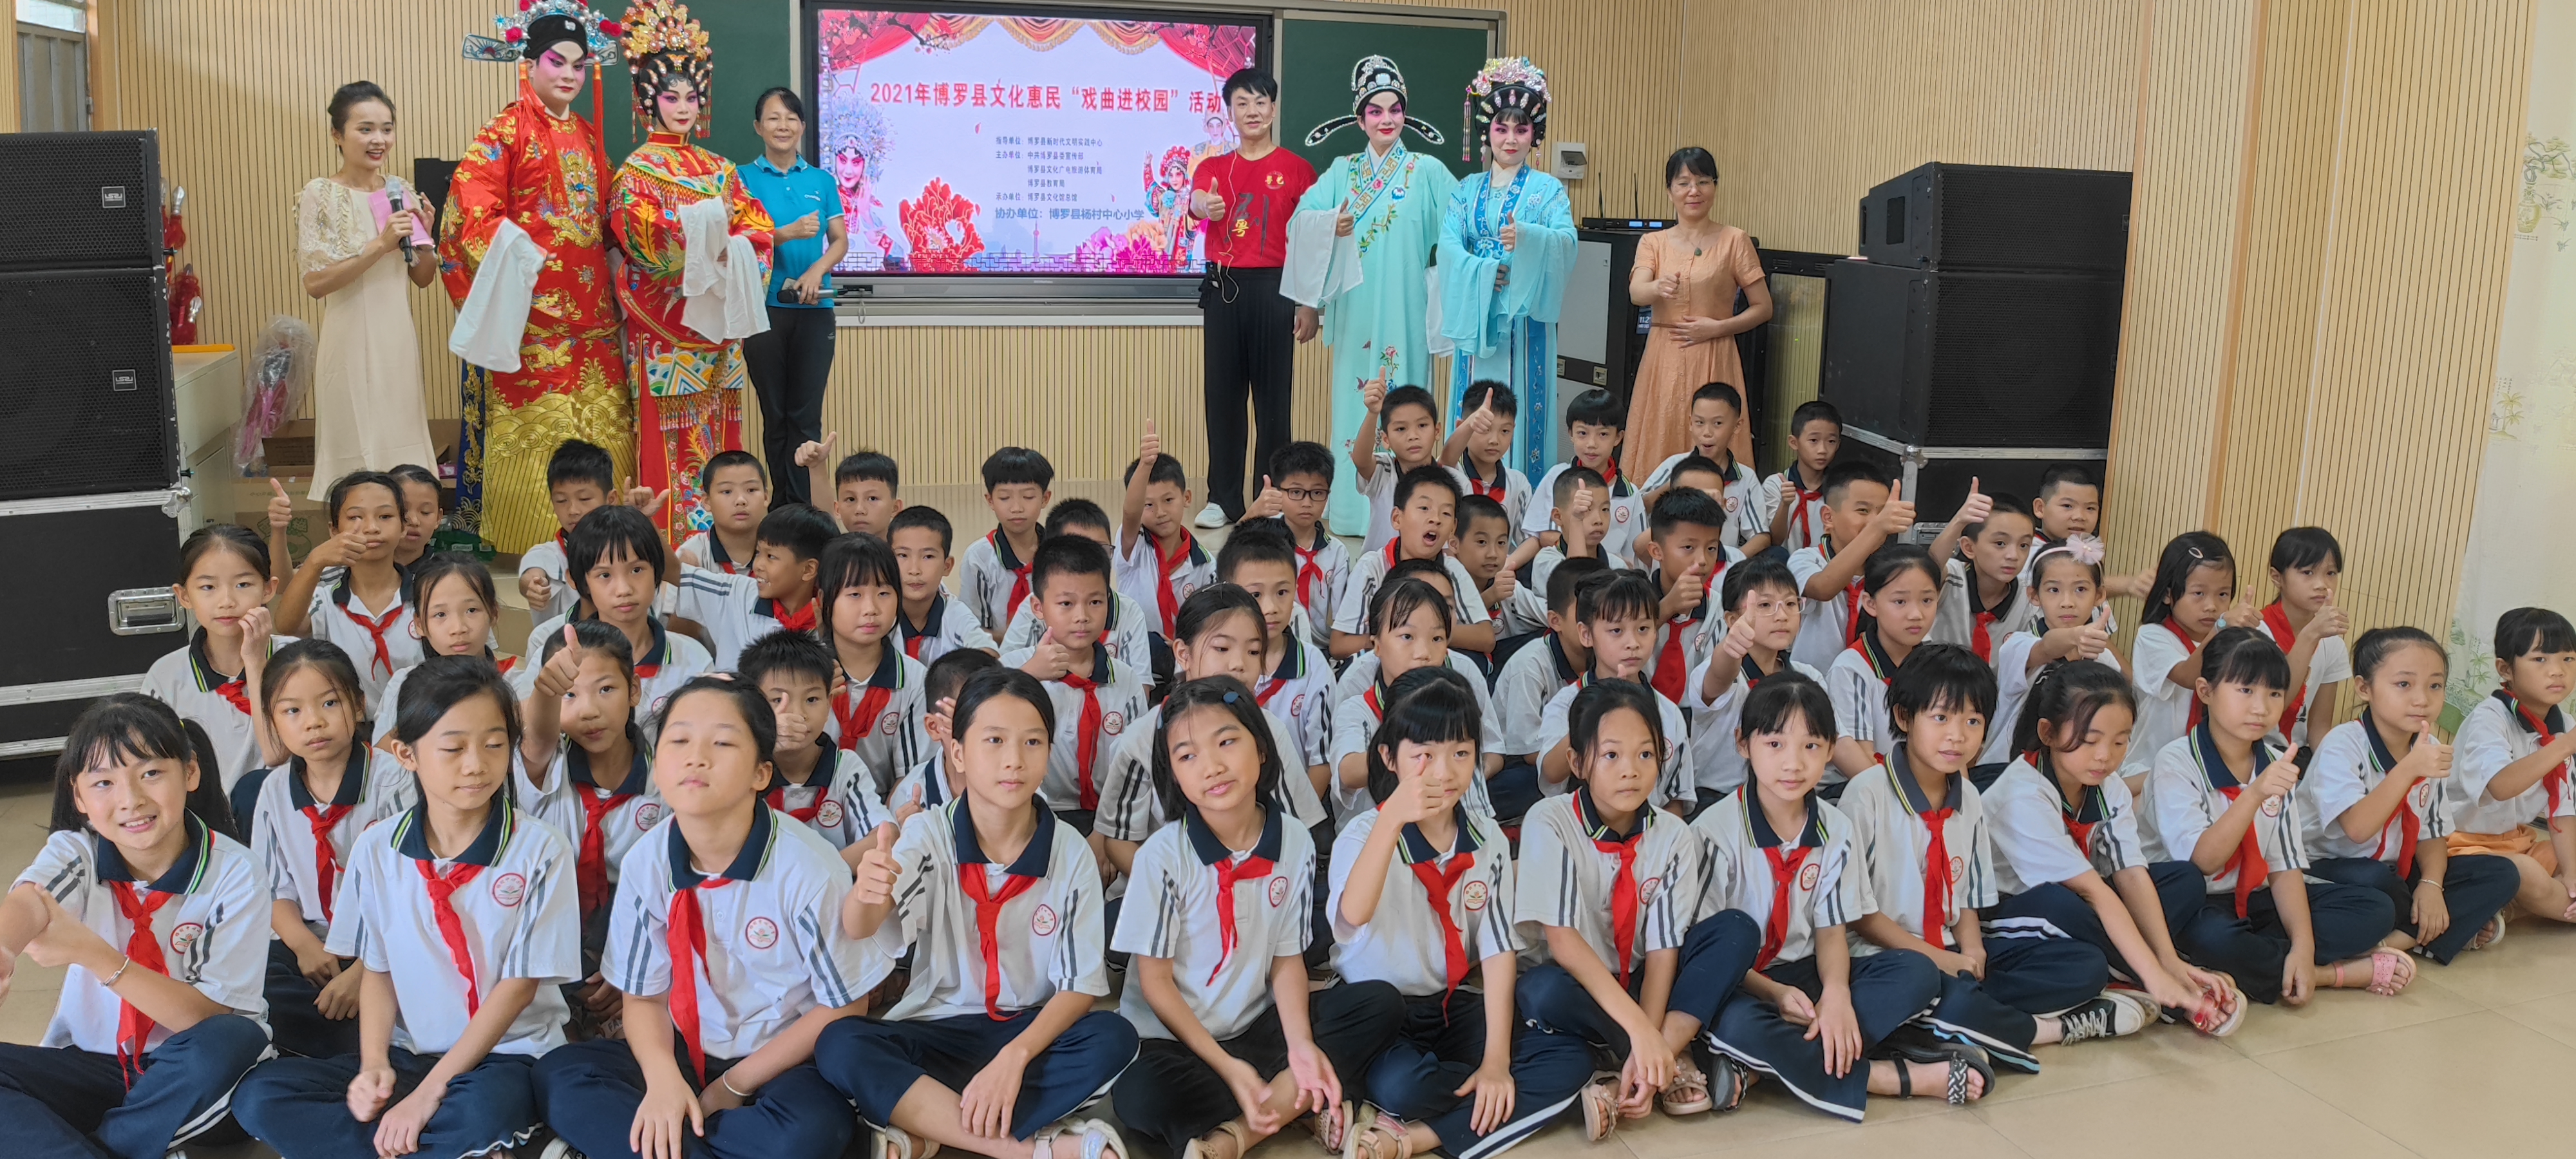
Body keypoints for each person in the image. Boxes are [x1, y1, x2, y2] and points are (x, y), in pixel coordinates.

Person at [231, 657, 578, 1159]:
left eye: (494, 744)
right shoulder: (378, 848)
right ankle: (462, 1149)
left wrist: (427, 1096)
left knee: (481, 1111)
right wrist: (374, 1065)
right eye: (453, 748)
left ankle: (427, 1139)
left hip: (509, 1054)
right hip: (410, 1053)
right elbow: (378, 969)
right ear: (406, 754)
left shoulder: (541, 850)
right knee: (260, 1097)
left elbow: (519, 988)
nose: (476, 764)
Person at [533, 677, 886, 1159]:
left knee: (809, 1131)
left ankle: (662, 1146)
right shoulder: (646, 862)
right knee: (559, 1077)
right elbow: (644, 999)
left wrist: (735, 1085)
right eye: (679, 741)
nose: (696, 758)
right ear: (659, 766)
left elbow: (845, 1004)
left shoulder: (810, 868)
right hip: (683, 1046)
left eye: (722, 743)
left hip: (781, 1060)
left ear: (761, 773)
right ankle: (705, 1143)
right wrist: (663, 1081)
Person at [818, 668, 1139, 1159]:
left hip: (1027, 1029)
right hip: (938, 1026)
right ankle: (1030, 1148)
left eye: (1032, 742)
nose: (1014, 760)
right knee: (840, 1043)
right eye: (994, 741)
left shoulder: (1070, 851)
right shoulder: (929, 834)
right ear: (958, 753)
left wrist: (1014, 1058)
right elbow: (861, 926)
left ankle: (930, 1123)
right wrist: (866, 892)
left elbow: (1079, 988)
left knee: (1115, 1038)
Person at [1107, 677, 1397, 1159]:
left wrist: (1300, 1046)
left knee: (1380, 1005)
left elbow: (1287, 960)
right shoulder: (1161, 855)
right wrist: (1227, 1067)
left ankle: (1235, 1134)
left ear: (1261, 749)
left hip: (1258, 1026)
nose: (1212, 766)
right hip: (1178, 1040)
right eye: (1187, 756)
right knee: (1139, 1097)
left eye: (1226, 742)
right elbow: (1155, 984)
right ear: (1173, 773)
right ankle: (1295, 1098)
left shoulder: (1294, 841)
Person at [1838, 645, 2146, 1081]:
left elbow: (1968, 898)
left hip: (1948, 947)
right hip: (1886, 957)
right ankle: (2046, 1030)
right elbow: (1860, 915)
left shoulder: (1968, 798)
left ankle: (1951, 1022)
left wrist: (1973, 950)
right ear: (1905, 718)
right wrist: (1937, 959)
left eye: (1973, 721)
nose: (1957, 736)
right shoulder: (1866, 795)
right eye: (1941, 718)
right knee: (1919, 980)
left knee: (2086, 965)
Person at [1327, 674, 1596, 1156]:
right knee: (1403, 1086)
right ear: (1389, 758)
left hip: (1449, 1004)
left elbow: (1497, 950)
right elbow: (1352, 916)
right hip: (1381, 1014)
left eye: (1461, 753)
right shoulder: (1363, 834)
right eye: (1424, 755)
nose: (1444, 771)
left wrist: (1496, 1062)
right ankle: (1508, 1104)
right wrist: (1392, 819)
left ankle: (1418, 1134)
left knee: (1570, 1057)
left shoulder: (1486, 837)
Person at [0, 695, 270, 1159]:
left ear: (190, 772)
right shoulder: (77, 851)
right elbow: (31, 900)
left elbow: (204, 1019)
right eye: (104, 782)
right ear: (79, 796)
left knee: (232, 1037)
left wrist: (96, 956)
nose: (131, 800)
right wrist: (5, 949)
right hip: (93, 1063)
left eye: (151, 773)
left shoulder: (236, 872)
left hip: (192, 1079)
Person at [1692, 676, 1958, 1117]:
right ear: (1743, 744)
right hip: (1743, 981)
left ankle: (1769, 1063)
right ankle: (1884, 1077)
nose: (1793, 763)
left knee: (1917, 973)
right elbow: (1705, 954)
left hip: (1808, 970)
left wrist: (1836, 995)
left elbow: (1831, 930)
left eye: (1811, 746)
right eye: (1775, 744)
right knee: (1733, 1020)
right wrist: (1774, 994)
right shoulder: (1712, 832)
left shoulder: (1836, 829)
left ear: (1831, 749)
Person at [1513, 681, 1756, 1124]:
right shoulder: (1549, 821)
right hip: (1581, 983)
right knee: (1541, 990)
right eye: (1611, 755)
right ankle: (1668, 1058)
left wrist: (1648, 1029)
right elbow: (1564, 944)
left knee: (1736, 930)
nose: (1631, 770)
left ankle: (1641, 1064)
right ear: (1577, 762)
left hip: (1643, 979)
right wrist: (1643, 1033)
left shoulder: (1672, 834)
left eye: (1646, 754)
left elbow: (1663, 951)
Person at [441, 2, 630, 554]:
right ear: (529, 63)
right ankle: (532, 546)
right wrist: (531, 259)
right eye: (557, 62)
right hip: (530, 321)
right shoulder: (504, 132)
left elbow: (607, 219)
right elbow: (470, 212)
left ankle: (606, 541)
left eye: (578, 64)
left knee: (601, 430)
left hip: (593, 321)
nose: (569, 74)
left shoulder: (589, 136)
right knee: (537, 432)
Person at [2137, 628, 2401, 1004]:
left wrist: (2303, 947)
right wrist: (2255, 793)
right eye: (2245, 690)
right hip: (2194, 901)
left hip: (2254, 896)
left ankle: (2275, 966)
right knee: (2214, 939)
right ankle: (2329, 974)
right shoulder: (2176, 761)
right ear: (2206, 692)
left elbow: (2284, 865)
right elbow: (2203, 862)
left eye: (2275, 693)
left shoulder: (2277, 761)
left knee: (2375, 909)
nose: (2261, 708)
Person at [1979, 663, 2242, 1035]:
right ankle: (2150, 984)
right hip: (2014, 915)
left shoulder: (2110, 787)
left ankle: (2141, 976)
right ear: (2048, 733)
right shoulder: (2022, 794)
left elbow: (2131, 874)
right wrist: (2156, 973)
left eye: (2120, 742)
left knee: (2184, 879)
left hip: (2084, 907)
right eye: (2090, 740)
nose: (2105, 756)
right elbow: (2092, 892)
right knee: (2065, 911)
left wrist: (2168, 960)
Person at [608, 0, 777, 547]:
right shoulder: (635, 172)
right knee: (669, 442)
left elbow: (758, 229)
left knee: (721, 438)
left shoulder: (719, 168)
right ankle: (669, 547)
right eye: (670, 97)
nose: (683, 107)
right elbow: (644, 241)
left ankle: (728, 542)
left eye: (691, 97)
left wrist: (731, 243)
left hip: (718, 328)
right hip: (664, 329)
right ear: (648, 101)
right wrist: (710, 226)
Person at [1285, 55, 1459, 537]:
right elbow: (1299, 222)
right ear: (1360, 119)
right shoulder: (1341, 172)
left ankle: (1413, 512)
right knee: (1355, 404)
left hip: (1407, 310)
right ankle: (1353, 511)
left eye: (1395, 110)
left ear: (1405, 115)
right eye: (1375, 111)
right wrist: (1329, 226)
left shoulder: (1426, 170)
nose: (1386, 120)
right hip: (1356, 312)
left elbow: (1462, 222)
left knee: (1409, 407)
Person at [2300, 627, 2521, 963]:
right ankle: (2438, 929)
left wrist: (2431, 884)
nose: (2422, 699)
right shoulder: (2342, 745)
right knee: (2378, 884)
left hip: (2395, 869)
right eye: (2404, 684)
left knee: (2501, 873)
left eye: (2435, 686)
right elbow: (2358, 829)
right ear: (2364, 688)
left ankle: (2395, 941)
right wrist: (2409, 769)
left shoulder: (2428, 746)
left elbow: (2432, 832)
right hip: (2327, 868)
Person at [244, 641, 413, 1059]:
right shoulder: (274, 790)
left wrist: (364, 972)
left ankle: (348, 1043)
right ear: (271, 721)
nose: (314, 722)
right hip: (314, 943)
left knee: (413, 982)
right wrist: (305, 945)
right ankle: (347, 1041)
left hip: (389, 942)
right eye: (292, 711)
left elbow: (414, 895)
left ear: (358, 705)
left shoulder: (395, 781)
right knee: (254, 977)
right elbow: (272, 890)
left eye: (330, 703)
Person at [1188, 67, 1318, 530]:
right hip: (1224, 288)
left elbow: (1312, 242)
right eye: (1242, 103)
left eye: (1260, 102)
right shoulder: (1213, 168)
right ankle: (1223, 498)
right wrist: (1205, 206)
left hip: (1277, 288)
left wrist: (1309, 303)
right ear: (1230, 112)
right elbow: (1196, 202)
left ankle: (1272, 495)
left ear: (1274, 109)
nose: (1252, 111)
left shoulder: (1298, 170)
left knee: (1273, 401)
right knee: (1223, 397)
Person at [298, 82, 438, 500]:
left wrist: (427, 240)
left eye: (387, 129)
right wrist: (379, 245)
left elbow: (423, 277)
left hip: (396, 340)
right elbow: (316, 283)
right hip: (348, 344)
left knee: (402, 449)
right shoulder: (320, 194)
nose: (379, 140)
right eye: (366, 129)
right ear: (337, 135)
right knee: (355, 458)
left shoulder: (400, 191)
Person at [1438, 59, 1575, 478]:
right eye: (1501, 128)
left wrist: (1529, 239)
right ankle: (1464, 493)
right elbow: (1448, 248)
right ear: (1487, 133)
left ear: (1535, 134)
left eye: (1522, 129)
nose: (1511, 139)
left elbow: (1567, 242)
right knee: (1473, 403)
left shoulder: (1549, 190)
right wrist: (1481, 271)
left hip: (1526, 323)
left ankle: (1523, 497)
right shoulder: (1466, 190)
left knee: (1524, 405)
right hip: (1477, 317)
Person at [1624, 147, 1772, 471]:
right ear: (1670, 191)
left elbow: (1764, 308)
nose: (1694, 191)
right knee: (1661, 435)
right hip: (1664, 357)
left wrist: (1717, 328)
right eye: (1683, 183)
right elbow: (1637, 292)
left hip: (1715, 354)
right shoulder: (1653, 242)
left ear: (1715, 187)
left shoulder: (1735, 240)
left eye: (1703, 181)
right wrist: (1657, 287)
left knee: (1713, 438)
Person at [737, 87, 848, 504]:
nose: (782, 126)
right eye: (773, 118)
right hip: (762, 309)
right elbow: (735, 240)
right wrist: (785, 233)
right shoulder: (741, 178)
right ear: (758, 127)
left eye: (790, 118)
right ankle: (783, 506)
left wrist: (817, 269)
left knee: (806, 416)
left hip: (815, 309)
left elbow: (839, 240)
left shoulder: (822, 180)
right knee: (776, 415)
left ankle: (805, 508)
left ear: (802, 126)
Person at [1001, 536, 1152, 838]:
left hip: (1109, 816)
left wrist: (1105, 832)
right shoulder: (1014, 669)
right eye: (1066, 604)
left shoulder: (1125, 680)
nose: (1082, 616)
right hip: (1032, 813)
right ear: (1038, 607)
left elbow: (1138, 762)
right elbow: (984, 726)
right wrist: (1029, 676)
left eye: (1095, 602)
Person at [2447, 607, 2576, 934]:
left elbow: (2562, 811)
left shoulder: (2565, 724)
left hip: (2517, 842)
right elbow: (2501, 786)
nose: (2557, 671)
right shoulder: (2489, 718)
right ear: (2506, 669)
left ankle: (2509, 909)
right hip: (2461, 846)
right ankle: (2523, 906)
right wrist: (2563, 746)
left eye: (2568, 659)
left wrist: (2573, 877)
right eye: (2540, 659)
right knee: (2523, 872)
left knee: (2558, 862)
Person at [147, 525, 292, 798]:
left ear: (268, 589)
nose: (226, 601)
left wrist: (255, 662)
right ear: (184, 596)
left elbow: (278, 754)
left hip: (289, 807)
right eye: (208, 587)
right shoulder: (167, 675)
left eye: (243, 585)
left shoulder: (299, 660)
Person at [1533, 573, 1692, 811]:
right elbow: (1551, 774)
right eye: (1617, 630)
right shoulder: (1566, 703)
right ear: (1586, 635)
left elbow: (1676, 797)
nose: (1633, 643)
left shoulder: (1667, 712)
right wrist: (1600, 708)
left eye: (1643, 628)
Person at [740, 630, 895, 860]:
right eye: (777, 700)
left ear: (829, 703)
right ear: (753, 706)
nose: (798, 713)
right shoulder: (743, 767)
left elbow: (884, 834)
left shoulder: (844, 767)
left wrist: (824, 873)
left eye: (812, 699)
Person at [275, 471, 421, 713]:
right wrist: (315, 561)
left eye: (385, 516)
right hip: (348, 729)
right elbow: (286, 624)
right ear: (334, 530)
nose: (372, 528)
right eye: (355, 517)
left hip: (419, 727)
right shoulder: (325, 599)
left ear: (404, 526)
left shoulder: (426, 596)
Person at [1685, 557, 1824, 807]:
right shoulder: (1720, 670)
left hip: (1788, 796)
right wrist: (1730, 648)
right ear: (1731, 620)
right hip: (1721, 800)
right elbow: (1720, 676)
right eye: (1765, 605)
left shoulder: (1809, 677)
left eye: (1790, 603)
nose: (1782, 615)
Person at [2132, 532, 2257, 791]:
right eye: (2199, 593)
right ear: (2168, 594)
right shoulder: (2153, 636)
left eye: (2223, 594)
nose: (2212, 606)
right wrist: (2221, 628)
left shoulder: (2231, 639)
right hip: (2148, 766)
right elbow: (2188, 676)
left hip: (2208, 770)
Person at [817, 534, 930, 794]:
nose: (871, 609)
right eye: (855, 594)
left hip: (886, 808)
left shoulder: (913, 679)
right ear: (824, 600)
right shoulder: (803, 674)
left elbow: (911, 777)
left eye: (883, 593)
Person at [674, 502, 837, 671]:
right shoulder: (737, 593)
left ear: (809, 569)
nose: (758, 565)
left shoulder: (835, 621)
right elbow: (672, 574)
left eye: (771, 556)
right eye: (758, 553)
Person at [1824, 545, 1941, 780]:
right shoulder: (1851, 668)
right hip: (1862, 787)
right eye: (1900, 602)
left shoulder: (1934, 659)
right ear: (1870, 604)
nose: (1916, 614)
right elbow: (1862, 763)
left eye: (1927, 600)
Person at [1786, 460, 1911, 672]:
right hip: (1812, 684)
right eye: (1863, 510)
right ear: (1828, 517)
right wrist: (1876, 529)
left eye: (1881, 513)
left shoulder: (1889, 570)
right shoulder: (1805, 559)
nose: (1874, 521)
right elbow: (1823, 588)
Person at [1520, 389, 1643, 570]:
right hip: (1559, 571)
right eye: (1583, 433)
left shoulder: (1630, 494)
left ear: (1618, 437)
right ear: (1570, 433)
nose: (1591, 444)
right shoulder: (1557, 477)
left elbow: (1635, 555)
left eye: (1603, 434)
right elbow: (1541, 535)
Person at [2251, 528, 2351, 748]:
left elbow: (2319, 728)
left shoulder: (2332, 643)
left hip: (2298, 753)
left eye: (2331, 573)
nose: (2322, 584)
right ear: (2277, 577)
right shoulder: (2254, 632)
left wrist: (2331, 764)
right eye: (2308, 572)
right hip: (2251, 748)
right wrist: (2311, 635)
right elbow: (2268, 707)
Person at [517, 438, 620, 627]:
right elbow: (531, 575)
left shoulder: (626, 550)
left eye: (584, 498)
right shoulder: (546, 554)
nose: (573, 510)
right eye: (561, 501)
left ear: (611, 499)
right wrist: (533, 587)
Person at [961, 448, 1055, 637]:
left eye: (1028, 497)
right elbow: (970, 627)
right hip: (996, 651)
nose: (1016, 508)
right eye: (1004, 498)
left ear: (1045, 499)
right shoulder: (978, 558)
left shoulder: (1059, 552)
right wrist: (1016, 641)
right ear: (990, 500)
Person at [1348, 380, 1449, 556]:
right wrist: (1373, 413)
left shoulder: (1452, 479)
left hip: (1430, 569)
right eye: (1401, 429)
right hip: (1382, 570)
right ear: (1386, 440)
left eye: (1422, 426)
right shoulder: (1383, 470)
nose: (1413, 436)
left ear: (1437, 431)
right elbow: (1361, 461)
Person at [890, 507, 999, 664]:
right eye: (903, 555)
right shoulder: (879, 610)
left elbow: (987, 653)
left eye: (928, 556)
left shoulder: (954, 613)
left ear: (947, 566)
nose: (914, 570)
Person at [1748, 401, 1842, 558]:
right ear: (1794, 442)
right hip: (1784, 566)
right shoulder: (1776, 484)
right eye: (1814, 441)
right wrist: (1785, 504)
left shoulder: (1839, 489)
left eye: (1831, 441)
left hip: (1825, 566)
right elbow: (1774, 541)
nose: (1823, 450)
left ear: (1838, 444)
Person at [677, 451, 773, 576]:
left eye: (751, 490)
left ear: (766, 498)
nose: (741, 500)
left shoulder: (784, 550)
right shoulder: (691, 556)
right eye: (727, 491)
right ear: (707, 502)